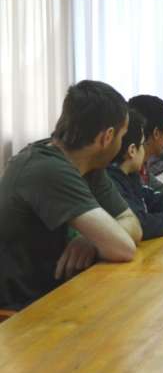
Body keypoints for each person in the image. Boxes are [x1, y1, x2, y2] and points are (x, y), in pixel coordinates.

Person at [0, 80, 142, 310]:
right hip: (20, 312)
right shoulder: (47, 169)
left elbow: (132, 223)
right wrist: (101, 238)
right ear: (107, 137)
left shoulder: (88, 164)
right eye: (122, 135)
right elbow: (123, 248)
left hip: (55, 293)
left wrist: (91, 239)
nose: (122, 144)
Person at [107, 110, 163, 240]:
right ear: (132, 150)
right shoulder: (111, 181)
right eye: (142, 144)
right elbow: (139, 224)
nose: (144, 150)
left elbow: (153, 199)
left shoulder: (131, 177)